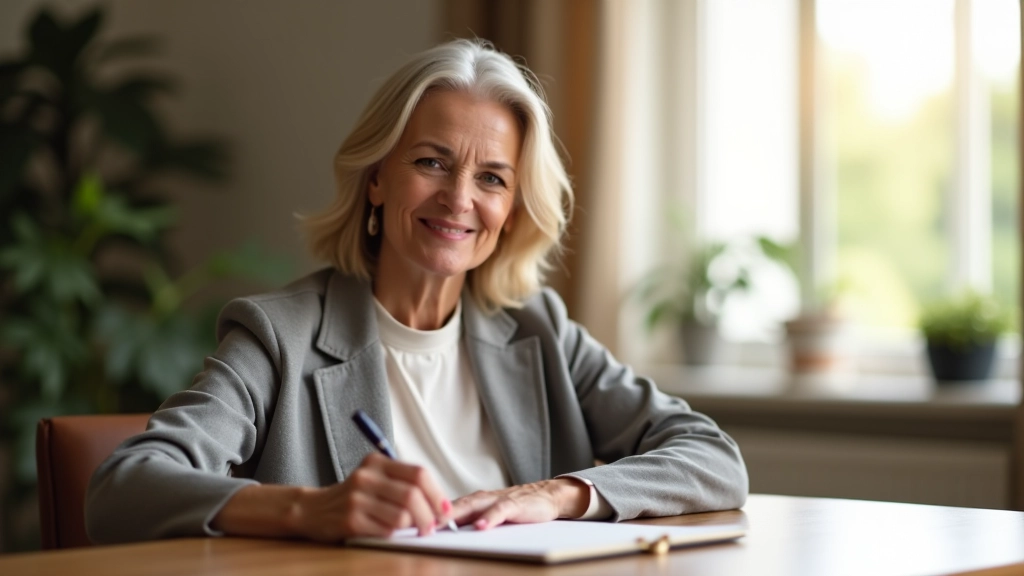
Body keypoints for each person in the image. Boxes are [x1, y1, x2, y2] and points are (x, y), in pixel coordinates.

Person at [85, 39, 747, 544]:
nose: (459, 199)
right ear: (377, 178)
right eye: (431, 161)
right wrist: (311, 508)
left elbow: (713, 458)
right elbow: (122, 488)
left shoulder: (538, 329)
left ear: (514, 208)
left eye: (492, 178)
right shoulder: (278, 336)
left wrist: (558, 494)